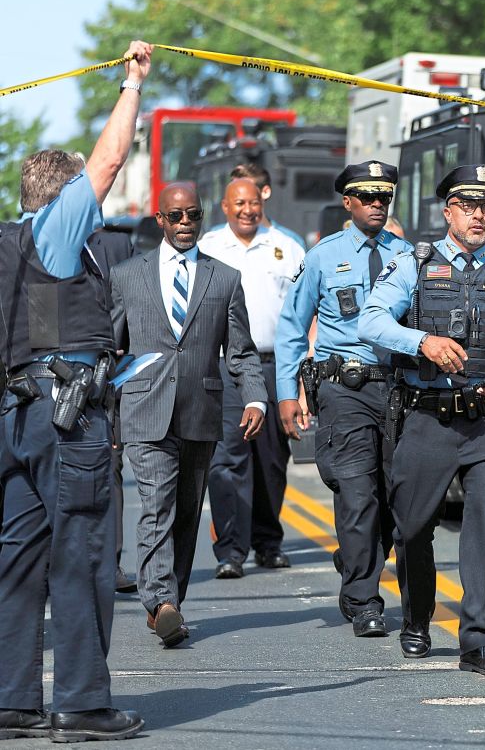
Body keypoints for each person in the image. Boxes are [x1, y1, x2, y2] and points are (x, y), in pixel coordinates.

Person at [0, 41, 150, 744]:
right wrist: (132, 84)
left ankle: (13, 700)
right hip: (63, 425)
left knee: (18, 563)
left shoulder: (8, 243)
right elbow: (111, 161)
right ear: (61, 201)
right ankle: (83, 704)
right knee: (84, 557)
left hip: (14, 420)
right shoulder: (59, 235)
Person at [359, 164, 485, 677]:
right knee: (412, 527)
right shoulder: (413, 266)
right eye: (468, 207)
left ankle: (478, 640)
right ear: (447, 211)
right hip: (428, 419)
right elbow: (371, 320)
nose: (478, 216)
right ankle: (418, 618)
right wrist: (421, 341)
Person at [111, 182, 267, 649]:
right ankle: (160, 602)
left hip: (201, 410)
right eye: (175, 216)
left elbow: (240, 352)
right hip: (144, 408)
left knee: (184, 514)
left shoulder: (224, 278)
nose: (184, 224)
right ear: (160, 219)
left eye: (192, 216)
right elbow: (111, 348)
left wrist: (256, 398)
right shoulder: (126, 276)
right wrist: (107, 413)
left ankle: (169, 601)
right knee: (157, 505)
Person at [276, 160, 424, 647]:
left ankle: (356, 560)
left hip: (401, 390)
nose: (378, 204)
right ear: (349, 203)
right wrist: (285, 394)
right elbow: (292, 328)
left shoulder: (412, 257)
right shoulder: (323, 256)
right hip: (346, 389)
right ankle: (365, 601)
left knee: (392, 504)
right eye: (368, 197)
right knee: (358, 495)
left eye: (385, 197)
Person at [199, 177, 305, 578]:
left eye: (252, 202)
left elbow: (306, 310)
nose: (247, 210)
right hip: (226, 367)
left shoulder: (287, 247)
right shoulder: (207, 248)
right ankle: (230, 550)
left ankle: (267, 542)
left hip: (274, 365)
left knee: (272, 460)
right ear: (225, 207)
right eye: (238, 203)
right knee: (228, 460)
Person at [86, 226, 139, 593]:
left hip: (108, 372)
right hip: (44, 372)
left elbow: (135, 301)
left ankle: (110, 564)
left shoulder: (116, 243)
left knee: (109, 466)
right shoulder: (28, 238)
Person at [206, 162, 307, 250]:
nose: (240, 192)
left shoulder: (291, 243)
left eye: (247, 187)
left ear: (265, 192)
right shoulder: (211, 240)